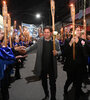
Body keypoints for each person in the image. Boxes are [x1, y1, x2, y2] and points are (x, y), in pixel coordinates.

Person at [26, 26, 61, 100]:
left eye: (48, 32)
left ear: (51, 33)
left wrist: (57, 53)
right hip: (42, 66)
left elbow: (60, 51)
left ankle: (53, 97)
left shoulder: (55, 42)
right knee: (44, 83)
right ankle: (46, 94)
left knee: (52, 84)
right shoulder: (40, 41)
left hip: (52, 67)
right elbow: (32, 47)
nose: (46, 34)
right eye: (45, 32)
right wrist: (24, 51)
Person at [63, 26, 88, 100]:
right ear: (72, 32)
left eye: (79, 30)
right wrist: (70, 43)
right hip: (71, 65)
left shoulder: (82, 41)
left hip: (80, 66)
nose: (79, 31)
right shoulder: (68, 40)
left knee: (79, 81)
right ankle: (65, 88)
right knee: (70, 79)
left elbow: (85, 52)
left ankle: (77, 95)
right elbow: (64, 53)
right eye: (77, 30)